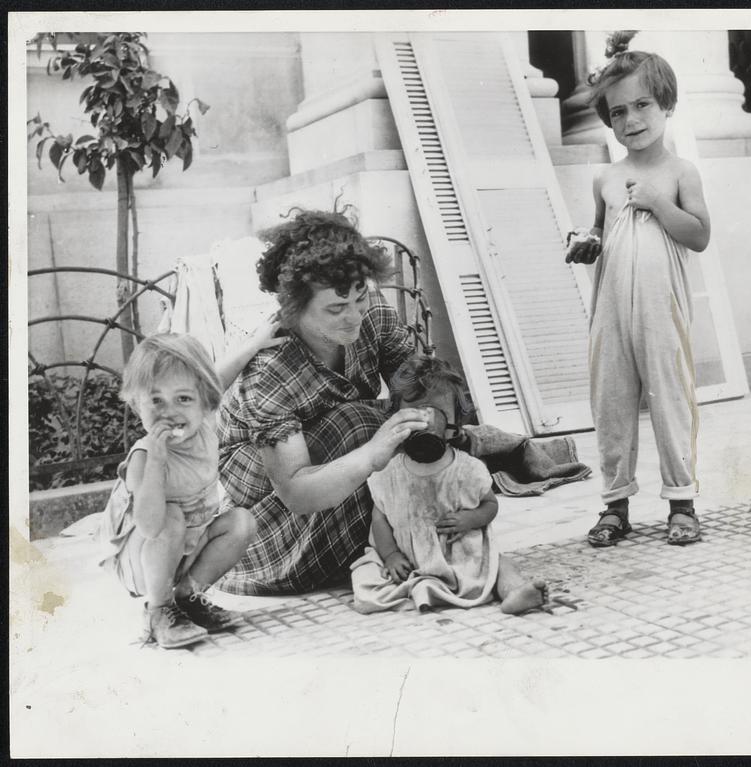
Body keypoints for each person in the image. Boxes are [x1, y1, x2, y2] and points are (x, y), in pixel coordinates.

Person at [215, 209, 430, 595]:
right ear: (295, 308)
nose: (353, 318)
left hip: (334, 460)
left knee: (408, 424)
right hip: (262, 496)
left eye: (359, 300)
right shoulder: (270, 368)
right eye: (335, 308)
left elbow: (417, 384)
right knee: (361, 425)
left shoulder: (371, 310)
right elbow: (296, 492)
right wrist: (373, 454)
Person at [566, 31, 711, 547]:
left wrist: (658, 203)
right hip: (611, 309)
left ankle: (681, 501)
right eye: (619, 112)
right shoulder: (605, 177)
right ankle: (615, 504)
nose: (632, 121)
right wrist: (585, 243)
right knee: (611, 400)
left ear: (666, 103)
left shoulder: (679, 172)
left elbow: (699, 235)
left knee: (670, 396)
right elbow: (601, 234)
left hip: (659, 308)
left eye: (643, 105)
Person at [350, 355, 549, 615]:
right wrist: (390, 555)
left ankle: (515, 592)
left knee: (498, 564)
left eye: (436, 414)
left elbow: (490, 504)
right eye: (414, 412)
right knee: (365, 575)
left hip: (461, 555)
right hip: (409, 557)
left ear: (454, 423)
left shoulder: (466, 469)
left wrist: (472, 519)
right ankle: (421, 582)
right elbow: (379, 517)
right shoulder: (388, 470)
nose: (425, 422)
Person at [98, 333, 257, 649]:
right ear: (136, 404)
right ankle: (158, 611)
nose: (169, 412)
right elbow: (149, 526)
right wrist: (158, 460)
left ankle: (188, 599)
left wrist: (255, 342)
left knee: (241, 522)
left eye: (183, 399)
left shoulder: (205, 426)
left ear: (204, 402)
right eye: (156, 400)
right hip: (142, 561)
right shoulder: (144, 457)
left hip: (187, 547)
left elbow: (219, 379)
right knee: (169, 517)